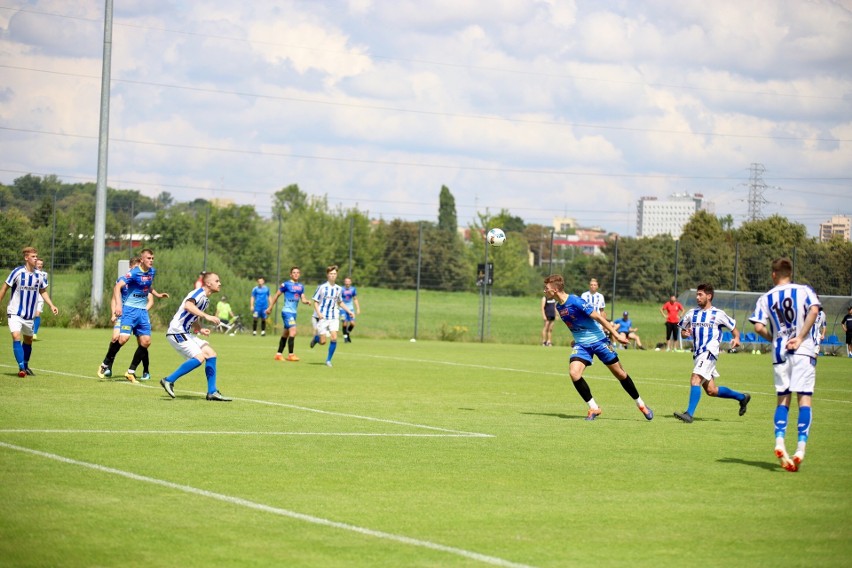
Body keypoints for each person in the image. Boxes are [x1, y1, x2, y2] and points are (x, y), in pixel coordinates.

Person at [543, 274, 654, 421]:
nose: (544, 291)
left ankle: (641, 404)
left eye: (547, 288)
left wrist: (617, 335)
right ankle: (594, 408)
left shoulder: (575, 301)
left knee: (620, 374)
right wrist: (575, 339)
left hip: (599, 341)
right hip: (582, 345)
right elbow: (575, 325)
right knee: (574, 373)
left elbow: (599, 318)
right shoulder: (559, 306)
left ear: (555, 289)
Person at [749, 257, 820, 472]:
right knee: (804, 400)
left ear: (773, 275)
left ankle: (780, 442)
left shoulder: (766, 297)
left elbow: (758, 327)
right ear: (790, 273)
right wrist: (799, 337)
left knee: (783, 401)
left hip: (780, 352)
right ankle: (800, 449)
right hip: (803, 351)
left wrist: (774, 338)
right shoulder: (804, 290)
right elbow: (814, 311)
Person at [673, 283, 750, 423]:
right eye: (697, 294)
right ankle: (742, 397)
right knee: (711, 390)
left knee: (695, 379)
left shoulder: (718, 314)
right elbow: (683, 332)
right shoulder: (691, 313)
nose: (697, 297)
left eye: (700, 294)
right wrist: (686, 333)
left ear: (709, 296)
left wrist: (737, 338)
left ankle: (689, 414)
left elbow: (733, 328)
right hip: (697, 354)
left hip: (709, 352)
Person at [97, 249, 167, 382]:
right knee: (122, 339)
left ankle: (131, 371)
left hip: (142, 312)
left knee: (146, 342)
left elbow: (147, 286)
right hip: (129, 310)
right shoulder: (134, 273)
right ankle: (105, 364)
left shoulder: (152, 271)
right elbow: (117, 287)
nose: (151, 260)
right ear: (142, 260)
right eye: (148, 258)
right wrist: (118, 305)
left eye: (152, 258)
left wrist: (157, 294)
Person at [160, 272, 231, 401]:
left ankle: (212, 392)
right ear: (208, 283)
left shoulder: (205, 299)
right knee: (199, 357)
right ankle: (168, 380)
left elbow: (193, 315)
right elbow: (188, 306)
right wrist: (207, 316)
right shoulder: (198, 293)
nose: (219, 283)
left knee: (210, 353)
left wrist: (199, 328)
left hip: (185, 332)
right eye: (217, 281)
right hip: (177, 331)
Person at [0, 247, 59, 376]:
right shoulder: (17, 272)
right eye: (33, 256)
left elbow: (42, 291)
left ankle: (25, 365)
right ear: (26, 258)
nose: (36, 258)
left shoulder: (39, 275)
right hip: (15, 312)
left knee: (28, 340)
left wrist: (51, 305)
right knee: (16, 336)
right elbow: (5, 287)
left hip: (29, 315)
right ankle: (21, 368)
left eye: (36, 256)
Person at [311, 265, 354, 367]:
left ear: (337, 275)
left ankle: (328, 360)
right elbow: (315, 302)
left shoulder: (338, 289)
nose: (333, 276)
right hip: (323, 317)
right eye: (331, 274)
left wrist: (349, 311)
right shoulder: (322, 287)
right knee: (323, 342)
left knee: (334, 338)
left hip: (334, 316)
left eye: (334, 274)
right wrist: (319, 313)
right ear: (327, 275)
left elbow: (340, 302)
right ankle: (316, 339)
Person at [267, 266, 311, 361]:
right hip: (287, 312)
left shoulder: (300, 287)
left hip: (293, 313)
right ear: (291, 274)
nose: (296, 274)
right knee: (293, 331)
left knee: (285, 334)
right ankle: (291, 355)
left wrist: (306, 301)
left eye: (297, 272)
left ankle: (278, 354)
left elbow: (302, 298)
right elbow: (276, 295)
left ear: (299, 274)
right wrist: (270, 307)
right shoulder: (286, 284)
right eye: (294, 272)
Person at [340, 276, 361, 343]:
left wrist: (358, 308)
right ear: (344, 282)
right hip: (342, 309)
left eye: (348, 281)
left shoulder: (353, 289)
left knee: (352, 324)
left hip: (351, 309)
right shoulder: (341, 289)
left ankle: (347, 333)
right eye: (346, 281)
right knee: (344, 323)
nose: (347, 283)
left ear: (351, 282)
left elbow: (355, 299)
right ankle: (345, 338)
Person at [32, 258, 48, 340]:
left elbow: (45, 286)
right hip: (32, 297)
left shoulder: (44, 274)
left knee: (37, 314)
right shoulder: (31, 273)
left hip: (40, 297)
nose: (39, 265)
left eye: (41, 264)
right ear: (35, 264)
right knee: (31, 315)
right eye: (38, 264)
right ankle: (29, 332)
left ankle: (34, 333)